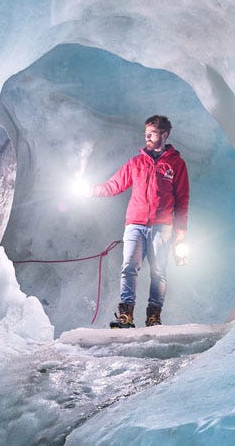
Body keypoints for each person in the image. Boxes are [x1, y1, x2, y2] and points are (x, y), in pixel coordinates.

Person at [87, 115, 189, 328]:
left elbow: (182, 200)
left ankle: (153, 317)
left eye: (152, 134)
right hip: (135, 224)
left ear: (164, 134)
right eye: (146, 134)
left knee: (159, 272)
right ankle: (126, 316)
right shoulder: (136, 163)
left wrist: (180, 233)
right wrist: (91, 191)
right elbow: (114, 185)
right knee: (129, 268)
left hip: (162, 227)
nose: (148, 138)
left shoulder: (176, 164)